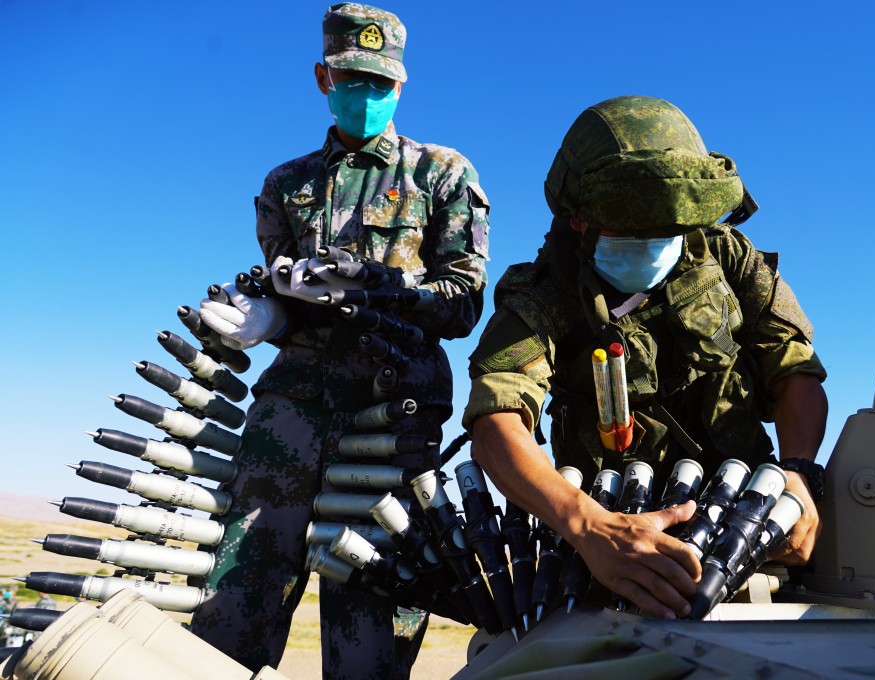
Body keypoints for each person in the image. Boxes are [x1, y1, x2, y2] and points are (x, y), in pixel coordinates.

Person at [189, 4, 489, 678]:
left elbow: (463, 301)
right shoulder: (286, 184)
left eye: (380, 83)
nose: (367, 94)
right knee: (240, 589)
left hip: (392, 411)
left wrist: (385, 292)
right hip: (292, 405)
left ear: (401, 85)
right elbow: (281, 283)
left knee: (371, 607)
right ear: (324, 78)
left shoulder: (442, 174)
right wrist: (267, 317)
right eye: (353, 79)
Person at [464, 96, 826, 620]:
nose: (652, 242)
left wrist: (797, 473)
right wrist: (590, 527)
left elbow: (794, 368)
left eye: (666, 228)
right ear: (578, 220)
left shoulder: (728, 258)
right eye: (629, 228)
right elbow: (497, 419)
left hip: (742, 535)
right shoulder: (544, 292)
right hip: (607, 552)